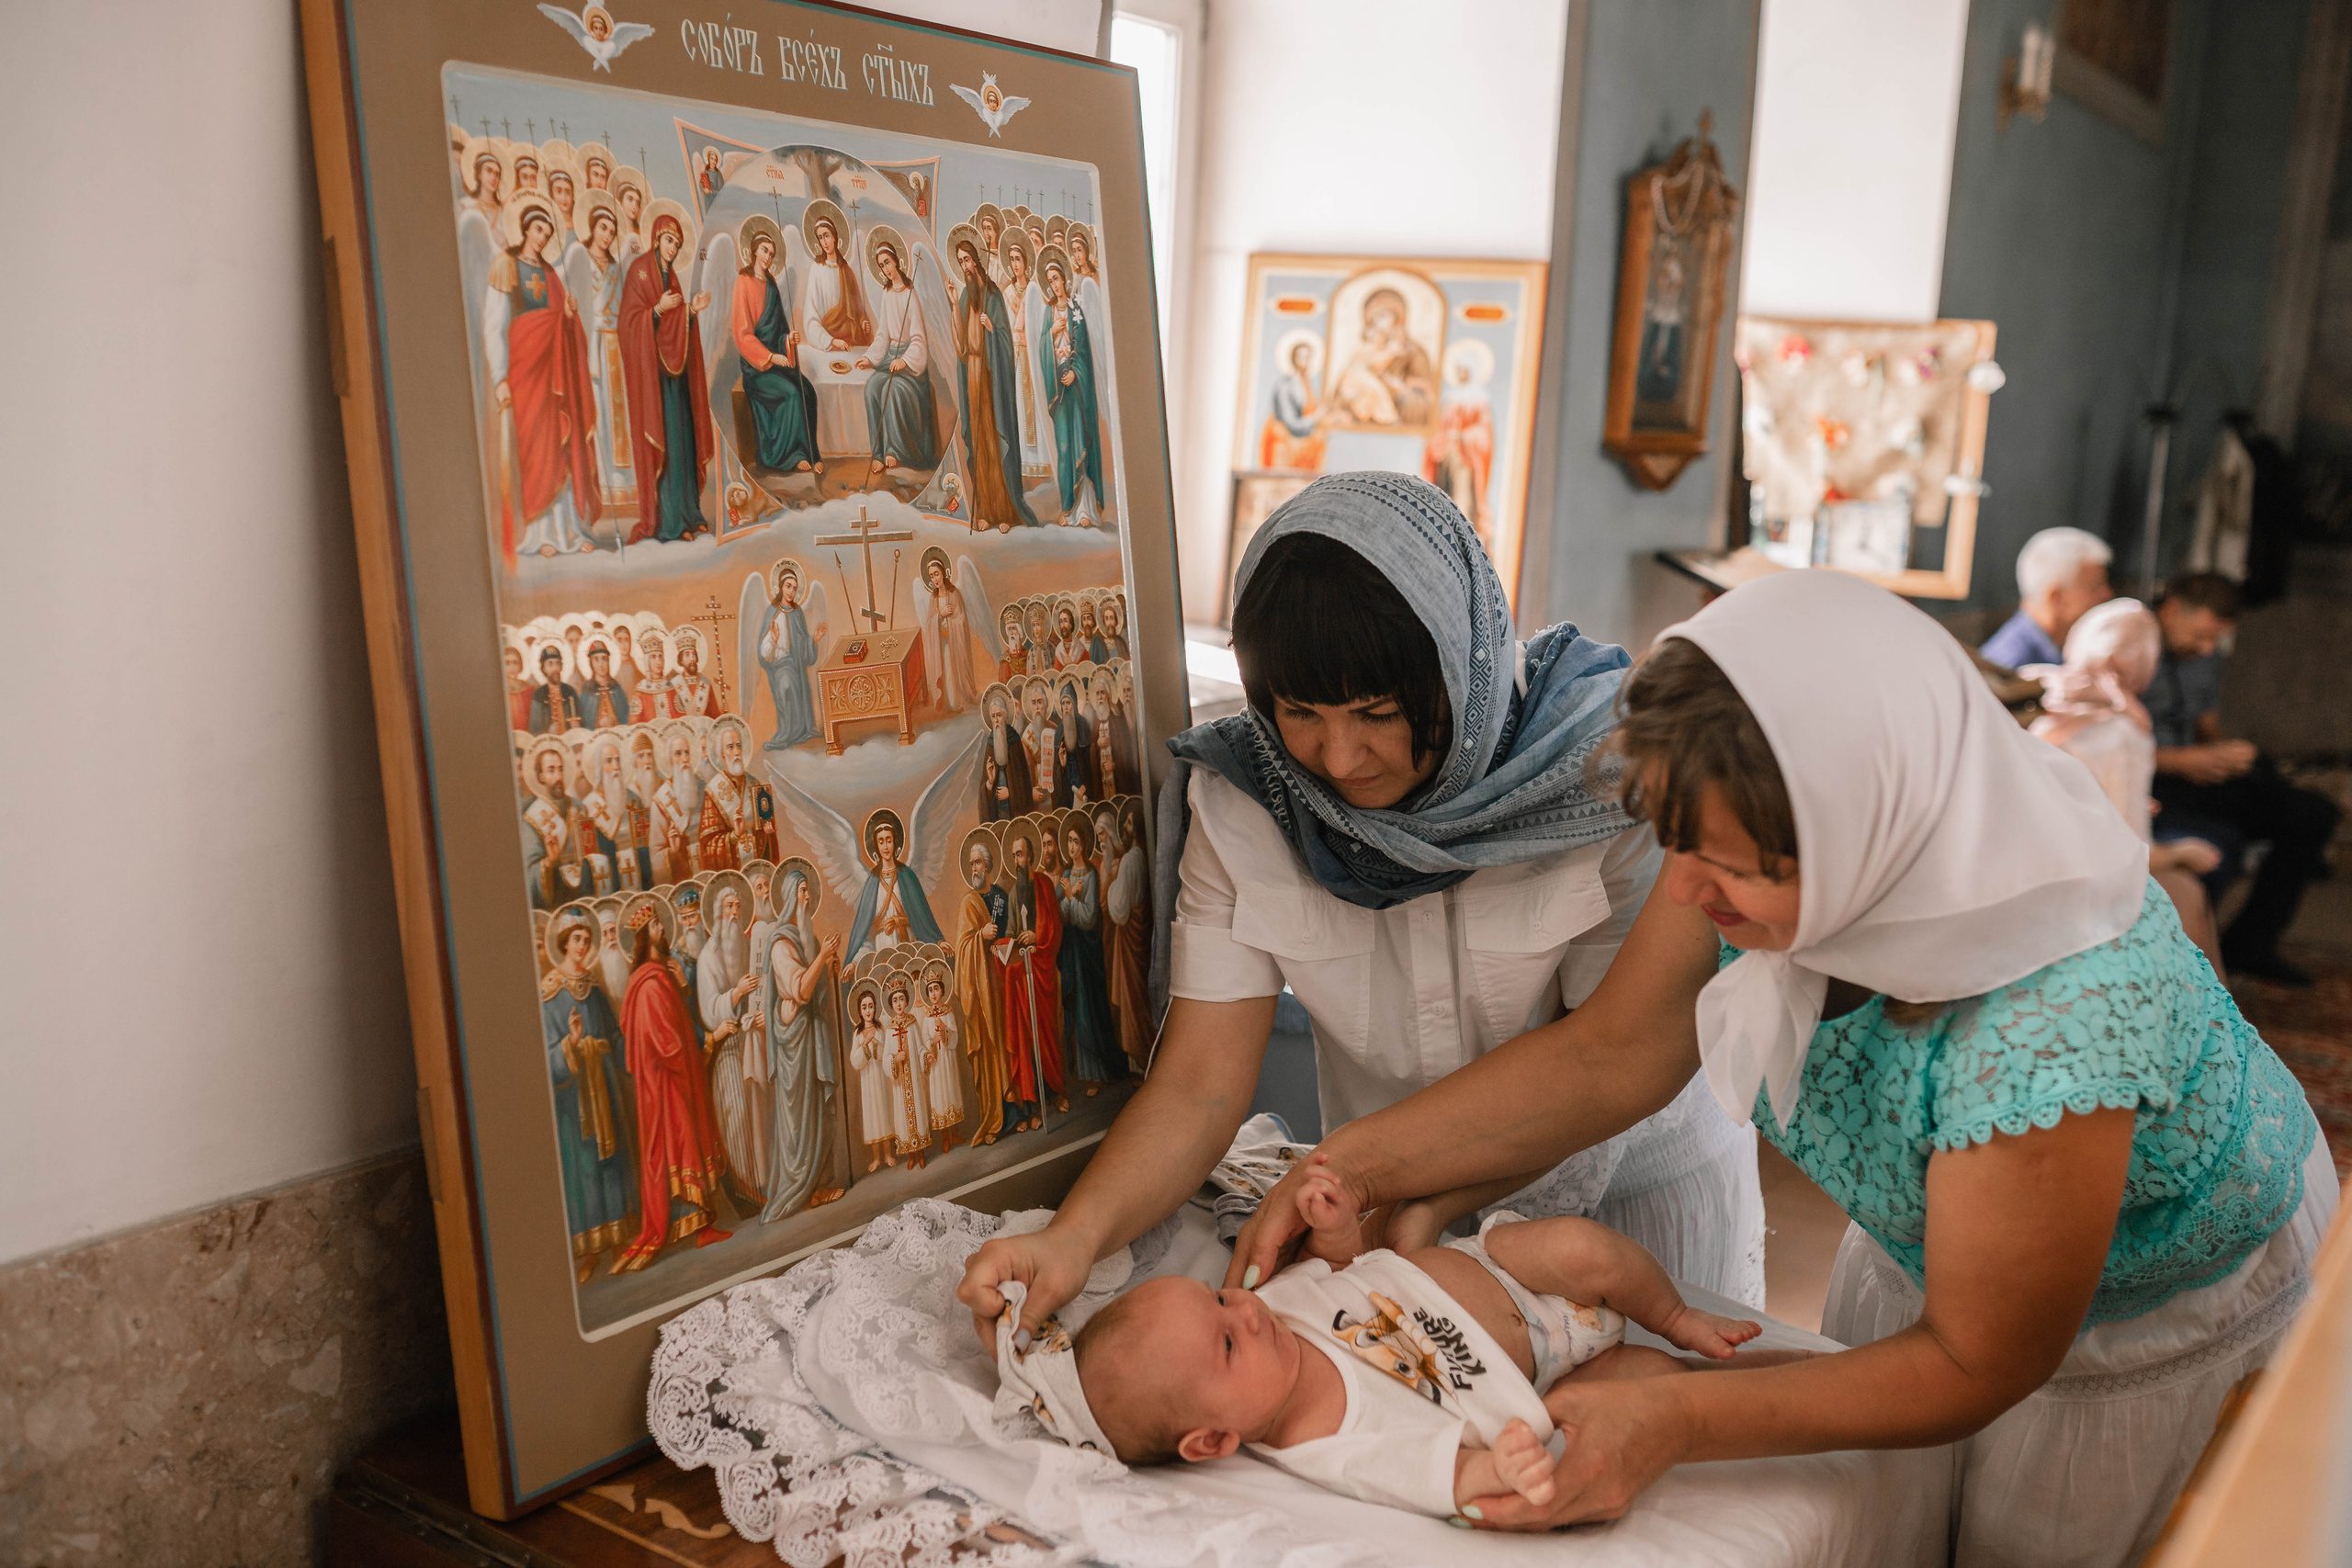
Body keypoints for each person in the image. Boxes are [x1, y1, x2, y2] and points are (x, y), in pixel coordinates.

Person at [1216, 569, 2329, 1564]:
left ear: (1871, 834)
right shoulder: (1756, 836)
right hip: (1939, 1264)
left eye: (1737, 874)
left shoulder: (2048, 1027)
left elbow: (1977, 1363)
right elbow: (1615, 1049)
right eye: (1678, 848)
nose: (1690, 896)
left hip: (2135, 1334)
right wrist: (1359, 1166)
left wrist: (1681, 1415)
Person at [960, 472, 1765, 1337]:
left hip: (1625, 1206)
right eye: (1299, 710)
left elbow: (1610, 1058)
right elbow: (1198, 1084)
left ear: (1459, 666)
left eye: (1377, 712)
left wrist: (1362, 1169)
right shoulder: (1249, 801)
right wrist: (1073, 1240)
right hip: (1382, 1218)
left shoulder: (1606, 774)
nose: (1339, 758)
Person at [1012, 1179, 1776, 1518]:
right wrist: (1498, 1464)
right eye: (1224, 1342)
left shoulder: (1272, 1310)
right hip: (1541, 1373)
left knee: (1584, 1248)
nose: (1243, 1310)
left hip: (1493, 1267)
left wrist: (1339, 1227)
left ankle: (1674, 1312)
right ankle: (1735, 1376)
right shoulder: (1331, 1442)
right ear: (1213, 1439)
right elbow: (1438, 1475)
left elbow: (1343, 1272)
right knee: (1648, 1387)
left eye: (1218, 1296)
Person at [2143, 571, 2340, 986]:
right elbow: (2110, 743)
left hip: (2192, 772)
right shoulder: (2130, 645)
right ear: (2173, 610)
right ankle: (2181, 968)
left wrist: (2224, 756)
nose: (2208, 649)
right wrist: (2179, 762)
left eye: (2216, 640)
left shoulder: (2207, 657)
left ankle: (2251, 944)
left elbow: (2206, 727)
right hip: (2151, 779)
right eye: (2201, 637)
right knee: (2226, 840)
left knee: (2312, 812)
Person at [2028, 598, 2225, 973]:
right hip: (2076, 884)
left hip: (2031, 864)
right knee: (2187, 890)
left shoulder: (2047, 696)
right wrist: (2183, 853)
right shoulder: (2123, 729)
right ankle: (2198, 1020)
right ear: (2142, 662)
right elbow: (2133, 854)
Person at [616, 905, 734, 1269]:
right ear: (644, 937)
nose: (661, 928)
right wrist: (699, 1047)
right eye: (655, 925)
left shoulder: (658, 976)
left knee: (685, 1145)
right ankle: (696, 1227)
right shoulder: (648, 984)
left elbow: (678, 1019)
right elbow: (666, 1041)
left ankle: (699, 1228)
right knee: (680, 1146)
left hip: (670, 1080)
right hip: (665, 1084)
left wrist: (683, 987)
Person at [486, 196, 603, 562]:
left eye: (548, 232)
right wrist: (500, 375)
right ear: (524, 228)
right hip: (526, 371)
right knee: (536, 448)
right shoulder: (505, 265)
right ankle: (539, 534)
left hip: (554, 373)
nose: (542, 237)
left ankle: (570, 530)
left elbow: (561, 323)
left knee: (561, 446)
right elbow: (494, 326)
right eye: (538, 229)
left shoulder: (551, 273)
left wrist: (569, 316)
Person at [541, 911, 639, 1281]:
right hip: (576, 1098)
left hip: (606, 1090)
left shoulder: (595, 989)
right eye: (576, 939)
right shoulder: (549, 993)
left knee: (613, 1160)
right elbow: (546, 1058)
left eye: (586, 939)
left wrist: (631, 1051)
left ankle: (618, 1241)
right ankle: (590, 1253)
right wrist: (572, 1043)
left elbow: (614, 1036)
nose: (583, 946)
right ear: (564, 943)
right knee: (584, 1167)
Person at [757, 867, 848, 1220]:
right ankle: (803, 1188)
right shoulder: (781, 944)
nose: (807, 898)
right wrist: (822, 960)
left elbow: (817, 987)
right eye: (803, 891)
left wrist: (830, 965)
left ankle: (820, 1183)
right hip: (794, 1045)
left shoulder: (804, 936)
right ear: (790, 896)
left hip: (810, 1037)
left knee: (820, 1113)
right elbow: (800, 990)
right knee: (801, 1118)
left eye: (810, 891)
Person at [619, 212, 715, 543]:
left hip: (675, 378)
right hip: (653, 380)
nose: (673, 248)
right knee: (667, 445)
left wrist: (691, 311)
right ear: (657, 237)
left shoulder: (671, 278)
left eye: (678, 243)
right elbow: (628, 324)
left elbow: (675, 331)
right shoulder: (639, 271)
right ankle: (671, 523)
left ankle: (691, 513)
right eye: (670, 240)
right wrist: (656, 310)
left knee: (682, 444)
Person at [951, 231, 1040, 531]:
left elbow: (1005, 341)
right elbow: (962, 346)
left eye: (967, 259)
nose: (965, 265)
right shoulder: (965, 296)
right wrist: (953, 304)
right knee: (978, 445)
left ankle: (1005, 512)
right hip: (973, 378)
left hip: (991, 380)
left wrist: (991, 329)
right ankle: (986, 510)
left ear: (976, 260)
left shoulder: (993, 295)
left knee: (994, 438)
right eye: (960, 261)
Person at [696, 882, 771, 1210]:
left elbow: (763, 984)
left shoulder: (747, 946)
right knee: (738, 1115)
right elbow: (710, 1009)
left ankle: (765, 1181)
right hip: (726, 1048)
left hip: (752, 1037)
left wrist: (757, 1011)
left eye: (738, 907)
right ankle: (745, 1187)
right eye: (729, 907)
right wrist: (737, 993)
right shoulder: (707, 957)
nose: (735, 913)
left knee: (760, 1110)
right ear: (717, 914)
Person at [730, 218, 820, 475]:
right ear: (754, 250)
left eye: (772, 253)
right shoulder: (743, 282)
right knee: (791, 394)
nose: (768, 257)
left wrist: (787, 341)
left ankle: (812, 453)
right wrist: (770, 356)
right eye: (765, 250)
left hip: (776, 361)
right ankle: (788, 457)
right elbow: (742, 334)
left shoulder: (770, 285)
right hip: (756, 367)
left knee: (807, 391)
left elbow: (779, 329)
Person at [1001, 826, 1066, 1127]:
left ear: (1031, 856)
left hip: (1043, 972)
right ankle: (1036, 1104)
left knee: (1048, 1034)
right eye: (1013, 855)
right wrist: (1010, 943)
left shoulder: (1042, 885)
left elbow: (1054, 926)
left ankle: (1057, 1092)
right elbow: (1012, 932)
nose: (1017, 860)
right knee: (1028, 1039)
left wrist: (1035, 937)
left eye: (1021, 854)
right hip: (1024, 974)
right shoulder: (1014, 893)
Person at [1978, 525, 2114, 670]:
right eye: (2095, 587)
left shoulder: (2060, 648)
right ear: (2056, 598)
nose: (2107, 594)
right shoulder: (2012, 667)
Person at [1057, 819, 1123, 1094]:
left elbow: (1088, 918)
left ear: (1084, 844)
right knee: (1079, 1009)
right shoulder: (1065, 875)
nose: (1072, 847)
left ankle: (1101, 1071)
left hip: (1089, 952)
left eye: (1075, 841)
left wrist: (1072, 900)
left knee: (1091, 1010)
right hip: (1073, 954)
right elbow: (1061, 916)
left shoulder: (1092, 875)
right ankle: (1088, 1074)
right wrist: (1068, 899)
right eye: (1069, 841)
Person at [865, 234, 939, 475]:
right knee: (872, 388)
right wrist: (870, 357)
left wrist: (904, 360)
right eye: (881, 265)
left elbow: (919, 338)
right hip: (889, 356)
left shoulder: (911, 294)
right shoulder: (887, 294)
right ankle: (877, 451)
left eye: (887, 262)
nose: (885, 268)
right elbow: (883, 333)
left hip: (911, 363)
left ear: (896, 262)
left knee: (892, 389)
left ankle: (894, 451)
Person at [956, 838, 1013, 1145]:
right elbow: (963, 946)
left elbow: (1011, 928)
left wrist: (1000, 937)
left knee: (1011, 1041)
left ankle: (1016, 1112)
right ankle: (994, 1119)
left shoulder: (1001, 896)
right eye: (971, 864)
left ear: (989, 865)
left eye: (978, 862)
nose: (975, 868)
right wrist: (981, 935)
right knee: (991, 1047)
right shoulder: (968, 903)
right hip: (983, 990)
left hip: (1005, 980)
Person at [1042, 256, 1104, 527]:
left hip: (1076, 390)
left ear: (1065, 280)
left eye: (1057, 279)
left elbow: (1084, 351)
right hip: (1059, 392)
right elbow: (1042, 347)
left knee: (1081, 443)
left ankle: (1085, 510)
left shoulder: (1076, 310)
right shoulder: (1048, 313)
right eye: (1050, 281)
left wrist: (1075, 372)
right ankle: (1067, 508)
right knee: (1065, 448)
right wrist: (1049, 334)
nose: (1054, 285)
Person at [848, 815, 944, 958]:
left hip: (907, 944)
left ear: (895, 843)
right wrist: (854, 961)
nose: (886, 846)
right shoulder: (872, 883)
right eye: (881, 842)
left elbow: (923, 918)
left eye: (889, 840)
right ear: (876, 846)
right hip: (882, 947)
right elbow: (864, 931)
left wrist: (938, 941)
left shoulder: (907, 877)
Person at [758, 563, 823, 750]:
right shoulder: (772, 612)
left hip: (796, 665)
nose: (791, 592)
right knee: (786, 686)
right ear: (780, 587)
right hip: (779, 666)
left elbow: (802, 645)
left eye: (794, 588)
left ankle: (801, 731)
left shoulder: (797, 613)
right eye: (788, 586)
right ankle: (786, 733)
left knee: (798, 690)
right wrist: (773, 639)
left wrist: (814, 640)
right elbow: (763, 652)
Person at [696, 723, 779, 871]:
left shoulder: (755, 784)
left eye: (738, 746)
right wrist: (734, 836)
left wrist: (768, 834)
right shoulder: (712, 791)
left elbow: (766, 827)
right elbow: (708, 845)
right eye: (730, 747)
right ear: (722, 753)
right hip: (732, 869)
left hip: (758, 864)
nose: (736, 752)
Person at [799, 211, 873, 359]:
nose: (824, 242)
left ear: (834, 237)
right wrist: (831, 340)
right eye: (820, 237)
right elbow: (810, 318)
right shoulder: (817, 269)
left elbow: (857, 313)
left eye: (826, 235)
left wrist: (863, 324)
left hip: (850, 344)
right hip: (826, 346)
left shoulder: (847, 271)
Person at [918, 549, 979, 713]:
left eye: (936, 574)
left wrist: (951, 623)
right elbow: (930, 622)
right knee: (946, 671)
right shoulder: (934, 598)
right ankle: (949, 704)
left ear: (943, 573)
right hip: (942, 642)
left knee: (955, 670)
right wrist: (940, 615)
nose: (935, 579)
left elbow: (962, 619)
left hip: (955, 642)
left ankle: (959, 702)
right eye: (931, 576)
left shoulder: (954, 593)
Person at [882, 978, 933, 1170]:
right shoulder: (890, 1028)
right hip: (901, 1084)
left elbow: (920, 1047)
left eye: (901, 999)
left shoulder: (912, 1023)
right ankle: (911, 1155)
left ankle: (921, 1154)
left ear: (907, 1000)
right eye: (895, 1000)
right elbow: (886, 1057)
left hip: (914, 1079)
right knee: (904, 1118)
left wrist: (926, 1055)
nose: (898, 1004)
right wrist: (895, 1059)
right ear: (891, 1004)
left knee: (918, 1113)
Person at [845, 985, 893, 1171]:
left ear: (875, 1007)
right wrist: (865, 1045)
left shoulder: (881, 1028)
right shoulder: (857, 1034)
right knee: (872, 1116)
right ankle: (876, 1158)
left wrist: (877, 1043)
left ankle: (888, 1154)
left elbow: (885, 1051)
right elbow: (854, 1061)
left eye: (871, 1006)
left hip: (880, 1078)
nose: (868, 1010)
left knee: (884, 1112)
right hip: (867, 1082)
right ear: (859, 1010)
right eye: (864, 1007)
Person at [920, 973, 966, 1148]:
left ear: (942, 991)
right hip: (937, 1065)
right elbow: (924, 1041)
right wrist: (933, 1042)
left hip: (948, 1061)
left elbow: (955, 1036)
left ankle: (955, 1134)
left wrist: (945, 1029)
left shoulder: (948, 1012)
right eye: (930, 990)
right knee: (940, 1096)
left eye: (936, 989)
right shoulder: (927, 1017)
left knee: (951, 1092)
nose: (933, 993)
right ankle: (946, 1138)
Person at [979, 686, 1030, 822]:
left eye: (999, 715)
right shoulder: (990, 744)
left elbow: (1025, 784)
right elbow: (983, 789)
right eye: (993, 716)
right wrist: (990, 783)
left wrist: (1011, 793)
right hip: (997, 812)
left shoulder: (1014, 741)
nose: (996, 721)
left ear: (1006, 717)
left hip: (1014, 812)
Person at [579, 640, 629, 728]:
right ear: (591, 663)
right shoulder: (587, 689)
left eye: (604, 659)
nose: (601, 664)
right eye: (596, 659)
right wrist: (599, 724)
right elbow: (583, 723)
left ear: (608, 661)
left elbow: (626, 717)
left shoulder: (616, 687)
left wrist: (616, 723)